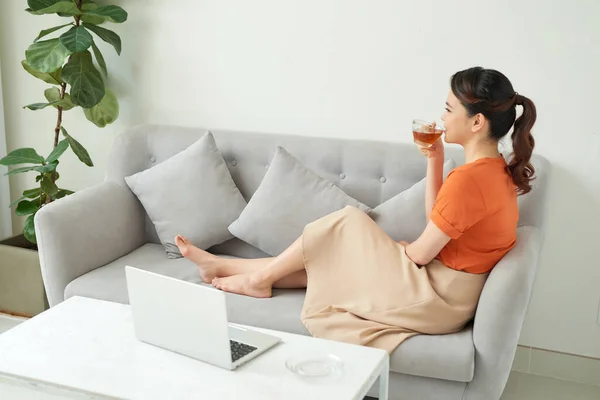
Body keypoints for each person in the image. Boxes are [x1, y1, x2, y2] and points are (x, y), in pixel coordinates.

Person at [175, 66, 537, 353]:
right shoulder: (494, 173)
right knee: (337, 259)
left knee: (348, 223)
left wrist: (386, 252)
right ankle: (227, 266)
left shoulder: (470, 180)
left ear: (477, 122)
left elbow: (421, 254)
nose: (441, 117)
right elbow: (436, 223)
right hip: (451, 293)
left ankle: (256, 279)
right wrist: (436, 160)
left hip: (436, 297)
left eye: (448, 109)